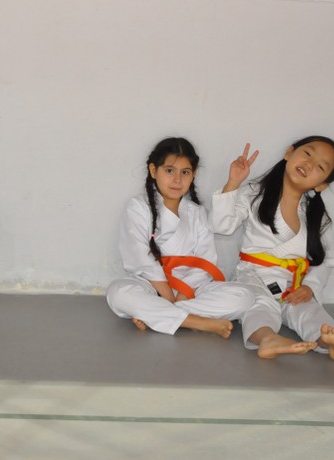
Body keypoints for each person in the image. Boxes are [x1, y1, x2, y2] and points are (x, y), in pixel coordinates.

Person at [210, 137, 334, 360]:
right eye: (308, 153)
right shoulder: (254, 193)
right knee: (256, 305)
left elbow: (326, 261)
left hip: (293, 283)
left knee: (308, 309)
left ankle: (327, 340)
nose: (310, 164)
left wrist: (309, 287)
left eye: (321, 167)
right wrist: (233, 182)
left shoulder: (316, 216)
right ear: (289, 153)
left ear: (322, 185)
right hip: (254, 276)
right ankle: (267, 339)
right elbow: (221, 226)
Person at [106, 137, 253, 339]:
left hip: (190, 289)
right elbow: (140, 257)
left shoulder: (196, 212)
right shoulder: (138, 207)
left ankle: (156, 316)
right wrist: (167, 295)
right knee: (118, 293)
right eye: (169, 170)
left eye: (185, 172)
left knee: (245, 297)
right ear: (153, 170)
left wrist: (180, 297)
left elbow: (205, 261)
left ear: (194, 174)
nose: (177, 180)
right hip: (151, 286)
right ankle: (197, 321)